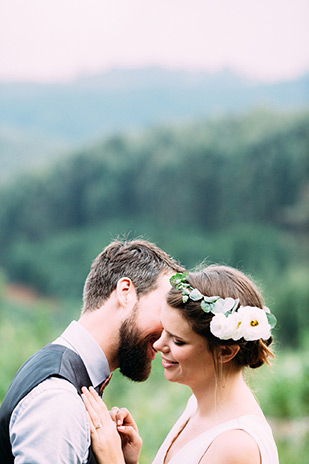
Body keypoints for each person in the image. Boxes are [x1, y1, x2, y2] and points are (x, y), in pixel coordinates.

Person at [0, 238, 184, 464]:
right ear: (125, 292)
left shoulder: (69, 379)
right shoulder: (58, 399)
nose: (169, 331)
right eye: (165, 310)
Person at [82, 265, 279, 464]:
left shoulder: (236, 446)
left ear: (225, 352)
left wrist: (112, 460)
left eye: (178, 341)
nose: (159, 345)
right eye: (163, 331)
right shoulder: (195, 406)